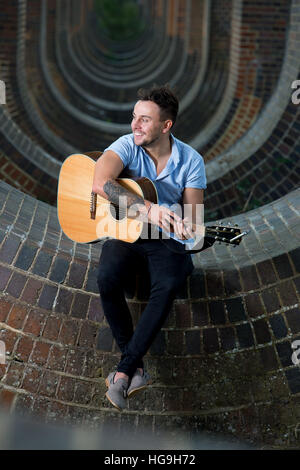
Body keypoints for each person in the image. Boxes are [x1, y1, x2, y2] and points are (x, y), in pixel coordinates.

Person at [92, 85, 206, 411]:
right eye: (134, 117)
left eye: (144, 120)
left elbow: (195, 221)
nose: (135, 125)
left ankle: (125, 371)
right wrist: (149, 209)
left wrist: (190, 230)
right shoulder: (127, 145)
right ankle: (134, 368)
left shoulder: (191, 161)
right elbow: (100, 183)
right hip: (127, 230)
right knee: (106, 278)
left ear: (166, 126)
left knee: (169, 283)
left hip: (165, 239)